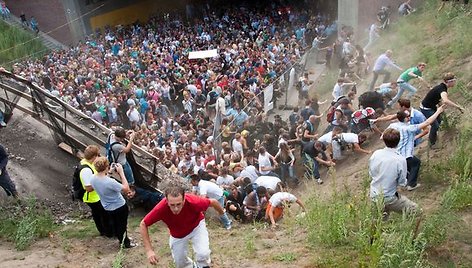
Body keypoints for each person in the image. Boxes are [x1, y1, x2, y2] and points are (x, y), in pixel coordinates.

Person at [140, 184, 228, 267]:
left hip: (196, 226)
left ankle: (203, 266)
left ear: (184, 200)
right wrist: (149, 250)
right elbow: (143, 224)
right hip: (178, 234)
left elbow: (213, 202)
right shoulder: (161, 208)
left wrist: (222, 213)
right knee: (180, 263)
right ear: (166, 201)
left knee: (203, 253)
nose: (176, 209)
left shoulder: (194, 201)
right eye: (172, 205)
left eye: (179, 204)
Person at [388, 106, 445, 191]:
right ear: (406, 119)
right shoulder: (409, 128)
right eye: (408, 117)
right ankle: (411, 184)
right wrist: (438, 112)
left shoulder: (393, 125)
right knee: (415, 163)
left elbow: (383, 137)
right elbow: (427, 122)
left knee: (407, 166)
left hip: (395, 154)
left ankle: (407, 180)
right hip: (405, 155)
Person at [369, 128, 419, 218]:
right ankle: (412, 229)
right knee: (416, 211)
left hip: (374, 194)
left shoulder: (376, 153)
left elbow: (371, 172)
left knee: (380, 222)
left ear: (384, 140)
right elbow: (402, 182)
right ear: (399, 141)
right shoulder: (400, 159)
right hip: (389, 196)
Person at [91, 157, 135, 248]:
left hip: (107, 206)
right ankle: (125, 243)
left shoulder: (93, 179)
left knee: (115, 223)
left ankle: (120, 237)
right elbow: (126, 188)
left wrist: (110, 172)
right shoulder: (111, 182)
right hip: (119, 206)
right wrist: (121, 173)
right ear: (106, 166)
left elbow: (102, 180)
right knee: (122, 225)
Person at [420, 72, 464, 147]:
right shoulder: (442, 90)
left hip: (432, 106)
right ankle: (432, 144)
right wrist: (458, 107)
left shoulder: (442, 87)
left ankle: (434, 137)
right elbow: (446, 100)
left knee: (439, 121)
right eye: (454, 81)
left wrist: (440, 105)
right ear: (449, 82)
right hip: (426, 108)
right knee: (435, 125)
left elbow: (437, 97)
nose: (455, 83)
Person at [79, 145, 112, 237]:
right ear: (93, 156)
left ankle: (104, 231)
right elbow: (88, 188)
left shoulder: (88, 164)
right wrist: (100, 182)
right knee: (103, 215)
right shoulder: (85, 170)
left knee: (99, 214)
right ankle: (107, 232)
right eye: (98, 155)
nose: (99, 157)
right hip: (92, 198)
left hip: (96, 196)